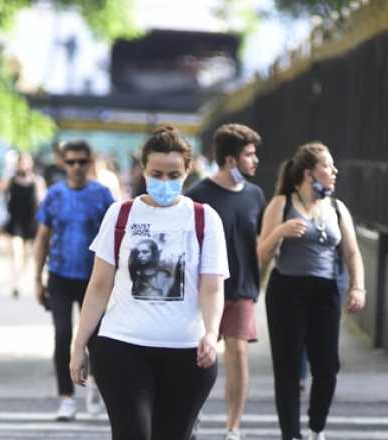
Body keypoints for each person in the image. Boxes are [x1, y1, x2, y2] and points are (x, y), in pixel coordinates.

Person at [68, 126, 228, 439]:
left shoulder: (204, 218)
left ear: (187, 171)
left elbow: (212, 286)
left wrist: (211, 332)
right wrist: (78, 345)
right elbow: (99, 285)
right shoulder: (121, 214)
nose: (165, 182)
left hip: (188, 354)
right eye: (157, 173)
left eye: (173, 174)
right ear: (143, 169)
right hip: (122, 349)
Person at [257, 142, 366, 440]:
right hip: (286, 291)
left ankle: (316, 426)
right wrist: (281, 232)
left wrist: (358, 286)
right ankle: (291, 434)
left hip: (325, 291)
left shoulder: (337, 208)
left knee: (327, 367)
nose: (334, 171)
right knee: (288, 368)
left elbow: (352, 253)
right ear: (309, 173)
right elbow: (261, 255)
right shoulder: (281, 204)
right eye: (328, 166)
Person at [186, 123, 266, 440]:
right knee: (198, 358)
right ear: (231, 160)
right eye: (249, 154)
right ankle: (190, 414)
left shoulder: (255, 196)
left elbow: (258, 242)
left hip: (242, 289)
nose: (256, 160)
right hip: (203, 290)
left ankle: (233, 427)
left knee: (239, 353)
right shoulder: (198, 196)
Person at [32, 141, 115, 421]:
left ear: (89, 162)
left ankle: (95, 385)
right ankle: (66, 398)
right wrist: (37, 279)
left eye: (81, 161)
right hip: (60, 274)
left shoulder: (102, 195)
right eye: (71, 162)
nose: (76, 167)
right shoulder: (54, 195)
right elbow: (42, 237)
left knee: (95, 337)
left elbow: (115, 237)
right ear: (62, 163)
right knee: (62, 334)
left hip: (94, 278)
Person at [5, 152, 46, 298]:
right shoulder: (11, 180)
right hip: (16, 221)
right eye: (21, 162)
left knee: (29, 254)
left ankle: (21, 279)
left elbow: (42, 201)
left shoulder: (37, 181)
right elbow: (0, 192)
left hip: (31, 221)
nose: (23, 164)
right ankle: (16, 284)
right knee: (16, 251)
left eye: (26, 161)